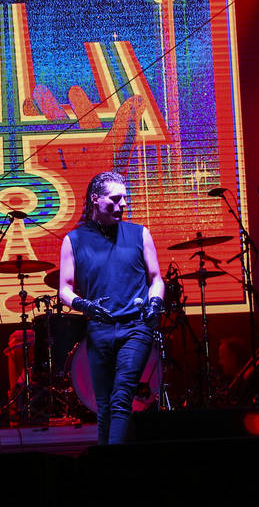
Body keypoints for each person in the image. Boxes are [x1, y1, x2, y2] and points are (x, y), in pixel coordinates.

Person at [58, 171, 166, 445]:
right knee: (104, 405)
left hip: (135, 328)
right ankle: (106, 468)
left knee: (121, 397)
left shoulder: (140, 234)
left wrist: (155, 303)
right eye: (115, 199)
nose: (123, 205)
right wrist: (85, 305)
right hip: (100, 330)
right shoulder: (73, 240)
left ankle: (111, 465)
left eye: (125, 199)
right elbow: (64, 290)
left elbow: (156, 279)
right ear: (95, 199)